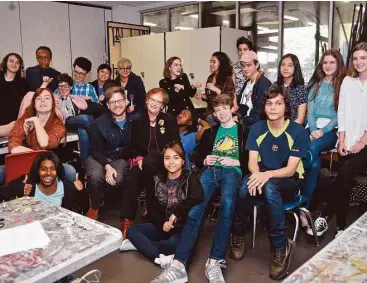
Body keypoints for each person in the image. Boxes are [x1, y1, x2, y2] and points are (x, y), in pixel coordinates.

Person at [152, 94, 245, 283]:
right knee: (195, 208)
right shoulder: (211, 132)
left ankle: (215, 260)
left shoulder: (244, 130)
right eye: (217, 111)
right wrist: (205, 159)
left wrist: (235, 161)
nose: (221, 113)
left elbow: (251, 159)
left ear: (231, 109)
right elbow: (197, 157)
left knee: (227, 205)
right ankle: (179, 265)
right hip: (211, 171)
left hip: (232, 171)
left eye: (224, 109)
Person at [230, 85, 309, 280]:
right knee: (242, 188)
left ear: (286, 107)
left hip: (288, 180)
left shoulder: (297, 131)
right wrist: (259, 176)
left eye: (278, 103)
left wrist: (266, 176)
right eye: (269, 103)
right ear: (264, 107)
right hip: (262, 174)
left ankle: (280, 247)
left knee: (271, 188)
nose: (273, 108)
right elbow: (251, 164)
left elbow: (290, 169)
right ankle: (238, 234)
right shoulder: (256, 128)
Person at [120, 142, 204, 272]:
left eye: (176, 158)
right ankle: (158, 257)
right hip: (161, 225)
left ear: (183, 161)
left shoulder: (189, 177)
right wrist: (163, 223)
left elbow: (198, 195)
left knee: (173, 245)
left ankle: (141, 246)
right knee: (132, 231)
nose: (171, 162)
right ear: (163, 160)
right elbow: (152, 208)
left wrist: (175, 215)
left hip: (179, 228)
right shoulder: (156, 178)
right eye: (167, 158)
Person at [311, 42, 367, 238]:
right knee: (345, 178)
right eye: (356, 58)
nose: (359, 62)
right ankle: (341, 228)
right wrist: (341, 141)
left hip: (365, 143)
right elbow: (341, 112)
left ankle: (325, 215)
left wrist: (361, 142)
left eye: (363, 58)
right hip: (348, 140)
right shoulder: (347, 82)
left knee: (345, 173)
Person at [120, 88, 180, 239]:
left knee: (150, 167)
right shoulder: (138, 121)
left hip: (165, 162)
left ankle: (152, 214)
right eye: (152, 99)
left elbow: (176, 144)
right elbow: (132, 147)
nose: (154, 104)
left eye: (158, 102)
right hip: (143, 162)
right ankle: (128, 219)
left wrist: (157, 159)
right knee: (131, 177)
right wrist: (139, 159)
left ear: (162, 106)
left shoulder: (169, 120)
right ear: (146, 101)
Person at [301, 49, 345, 235]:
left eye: (331, 63)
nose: (327, 66)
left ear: (338, 65)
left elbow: (340, 114)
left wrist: (322, 131)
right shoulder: (315, 85)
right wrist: (312, 129)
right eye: (325, 62)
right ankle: (304, 208)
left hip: (331, 130)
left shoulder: (343, 86)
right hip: (312, 128)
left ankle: (296, 193)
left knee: (310, 149)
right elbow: (310, 111)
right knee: (315, 162)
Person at [86, 86, 140, 220]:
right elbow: (95, 150)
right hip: (99, 157)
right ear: (108, 106)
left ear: (126, 101)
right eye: (112, 102)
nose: (117, 105)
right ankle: (96, 205)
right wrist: (107, 166)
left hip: (119, 158)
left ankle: (101, 194)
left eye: (120, 101)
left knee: (117, 177)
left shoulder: (136, 121)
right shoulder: (99, 123)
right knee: (95, 175)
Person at [6, 87, 76, 183]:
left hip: (49, 166)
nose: (43, 101)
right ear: (34, 104)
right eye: (38, 98)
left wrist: (36, 121)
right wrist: (35, 156)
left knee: (70, 171)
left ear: (53, 104)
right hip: (25, 162)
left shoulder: (58, 125)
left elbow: (44, 143)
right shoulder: (24, 119)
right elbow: (13, 145)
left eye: (47, 98)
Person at [0, 152, 83, 211]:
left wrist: (81, 192)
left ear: (57, 170)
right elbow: (2, 192)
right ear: (37, 170)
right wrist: (19, 188)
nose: (48, 173)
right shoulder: (28, 181)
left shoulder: (66, 186)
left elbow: (83, 208)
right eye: (43, 169)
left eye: (53, 169)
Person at [55, 73, 92, 172]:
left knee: (83, 132)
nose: (62, 89)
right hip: (62, 123)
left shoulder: (74, 97)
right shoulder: (55, 97)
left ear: (71, 87)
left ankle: (85, 168)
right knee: (86, 119)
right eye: (60, 86)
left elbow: (84, 106)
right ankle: (95, 130)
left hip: (74, 124)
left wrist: (70, 97)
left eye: (65, 86)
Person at [196, 52, 235, 120]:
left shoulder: (227, 79)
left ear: (221, 63)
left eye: (214, 62)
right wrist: (202, 96)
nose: (211, 64)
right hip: (209, 113)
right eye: (210, 62)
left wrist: (216, 90)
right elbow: (210, 98)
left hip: (220, 115)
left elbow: (229, 100)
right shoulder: (210, 77)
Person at [237, 50, 271, 126]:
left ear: (256, 65)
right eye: (243, 65)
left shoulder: (264, 83)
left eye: (249, 65)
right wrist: (237, 116)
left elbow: (260, 113)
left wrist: (241, 121)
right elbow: (243, 105)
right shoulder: (247, 83)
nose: (245, 69)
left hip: (255, 124)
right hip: (245, 121)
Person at [0, 53, 29, 136]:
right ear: (5, 63)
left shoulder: (23, 82)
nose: (14, 64)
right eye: (11, 61)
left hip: (13, 124)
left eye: (17, 62)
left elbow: (31, 98)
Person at [275, 54, 307, 125]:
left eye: (290, 65)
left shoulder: (301, 89)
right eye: (283, 65)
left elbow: (300, 119)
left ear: (295, 68)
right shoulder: (274, 86)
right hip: (275, 126)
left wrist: (285, 129)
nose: (285, 68)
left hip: (293, 127)